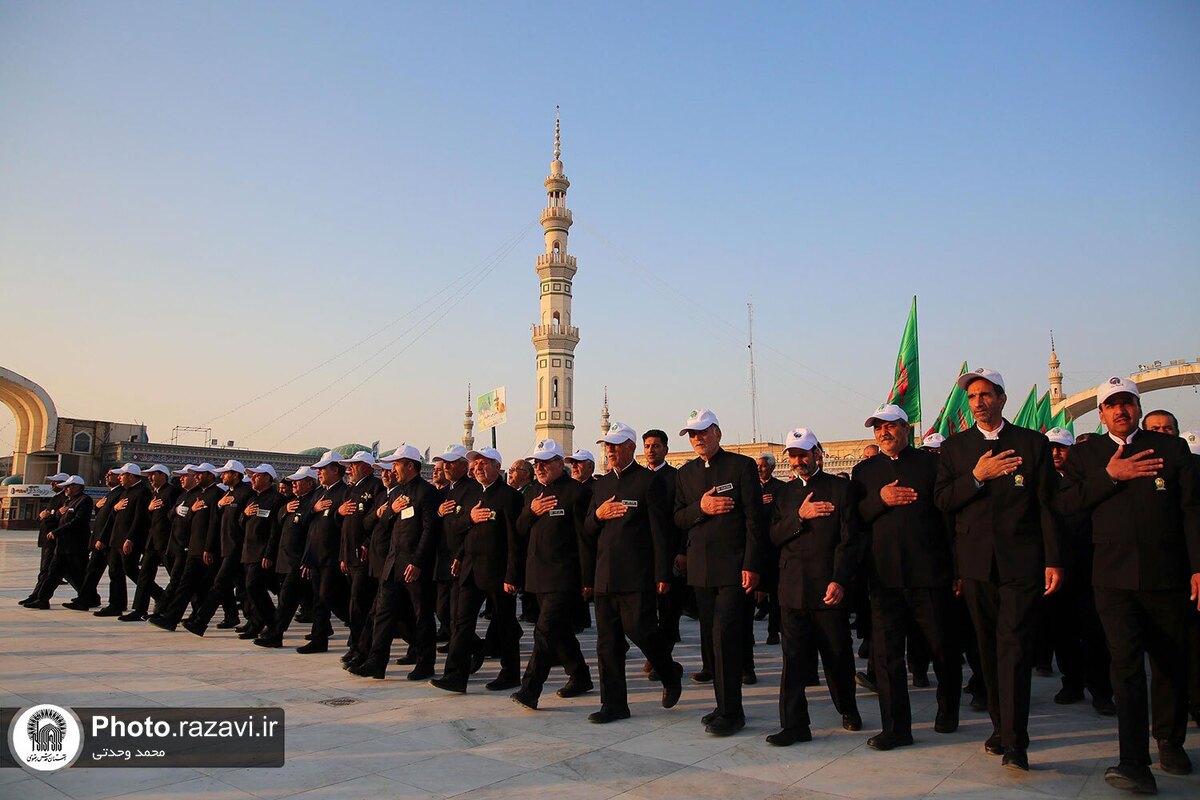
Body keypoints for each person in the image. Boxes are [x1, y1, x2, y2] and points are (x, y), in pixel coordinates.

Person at [1058, 377, 1199, 794]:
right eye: (1112, 405)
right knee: (1126, 668)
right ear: (1100, 414)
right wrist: (1111, 476)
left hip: (1167, 576)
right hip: (1113, 578)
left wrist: (1197, 566)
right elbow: (1065, 504)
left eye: (1127, 403)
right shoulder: (1087, 456)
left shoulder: (1172, 451)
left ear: (1138, 407)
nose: (1120, 411)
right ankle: (1133, 760)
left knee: (1170, 663)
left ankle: (1169, 741)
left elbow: (1191, 510)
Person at [934, 368, 1061, 772]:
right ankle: (1000, 727)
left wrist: (1054, 559)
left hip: (1021, 563)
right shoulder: (956, 448)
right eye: (972, 397)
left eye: (986, 395)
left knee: (1014, 647)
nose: (978, 403)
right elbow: (943, 502)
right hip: (975, 565)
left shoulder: (1031, 443)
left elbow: (1048, 506)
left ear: (1002, 399)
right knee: (987, 649)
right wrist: (977, 476)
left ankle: (1016, 741)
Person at [853, 404, 960, 751]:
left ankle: (948, 710)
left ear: (905, 428)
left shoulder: (931, 465)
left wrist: (955, 569)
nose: (884, 433)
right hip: (884, 578)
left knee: (942, 648)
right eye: (878, 428)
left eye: (890, 427)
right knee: (886, 657)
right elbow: (856, 519)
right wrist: (881, 500)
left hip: (929, 573)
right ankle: (896, 727)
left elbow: (949, 520)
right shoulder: (864, 472)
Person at [579, 423, 683, 722]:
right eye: (607, 445)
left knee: (641, 630)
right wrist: (598, 515)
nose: (610, 450)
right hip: (605, 575)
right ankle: (613, 704)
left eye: (616, 445)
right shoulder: (600, 485)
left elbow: (660, 532)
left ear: (630, 447)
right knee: (607, 643)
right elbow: (587, 528)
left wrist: (662, 573)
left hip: (637, 574)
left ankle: (668, 670)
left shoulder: (648, 482)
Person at [766, 427, 863, 746]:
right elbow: (774, 536)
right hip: (793, 589)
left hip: (828, 588)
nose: (797, 461)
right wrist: (800, 516)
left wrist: (840, 579)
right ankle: (794, 724)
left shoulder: (839, 489)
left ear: (817, 454)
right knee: (792, 661)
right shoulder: (784, 493)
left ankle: (847, 707)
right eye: (792, 455)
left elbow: (849, 541)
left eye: (803, 454)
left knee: (837, 655)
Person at [674, 409, 766, 736]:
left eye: (703, 432)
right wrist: (702, 507)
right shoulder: (685, 474)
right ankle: (722, 705)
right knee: (711, 641)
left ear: (717, 432)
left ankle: (732, 712)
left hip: (734, 568)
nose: (697, 439)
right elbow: (679, 518)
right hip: (701, 571)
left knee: (726, 638)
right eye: (692, 434)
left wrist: (753, 565)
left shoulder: (741, 467)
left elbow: (756, 521)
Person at [510, 438, 594, 709]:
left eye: (546, 463)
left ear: (560, 463)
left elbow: (584, 540)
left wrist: (587, 579)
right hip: (537, 575)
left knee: (544, 633)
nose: (540, 468)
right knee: (558, 633)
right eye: (537, 463)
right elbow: (520, 529)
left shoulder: (576, 492)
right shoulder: (532, 491)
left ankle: (529, 689)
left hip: (564, 576)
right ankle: (580, 675)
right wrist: (532, 512)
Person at [431, 447, 524, 693]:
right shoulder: (474, 495)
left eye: (485, 463)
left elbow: (515, 540)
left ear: (497, 467)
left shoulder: (509, 496)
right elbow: (461, 529)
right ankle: (455, 676)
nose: (479, 467)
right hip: (470, 569)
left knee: (505, 626)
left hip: (498, 572)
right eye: (477, 464)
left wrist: (512, 575)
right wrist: (460, 555)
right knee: (461, 623)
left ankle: (511, 673)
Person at [350, 445, 439, 680]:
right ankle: (376, 662)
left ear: (411, 465)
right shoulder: (397, 492)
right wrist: (390, 509)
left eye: (397, 465)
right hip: (392, 563)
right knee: (383, 615)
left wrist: (418, 562)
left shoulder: (426, 492)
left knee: (422, 616)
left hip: (414, 567)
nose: (394, 469)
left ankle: (425, 663)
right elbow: (380, 525)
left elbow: (430, 530)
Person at [151, 464, 225, 631]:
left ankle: (186, 619)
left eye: (200, 474)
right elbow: (188, 521)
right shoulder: (198, 495)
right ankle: (179, 618)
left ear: (210, 476)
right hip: (193, 547)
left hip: (205, 549)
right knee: (189, 585)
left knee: (198, 586)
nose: (197, 477)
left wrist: (209, 548)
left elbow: (214, 525)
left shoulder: (216, 495)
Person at [254, 467, 319, 648]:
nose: (294, 485)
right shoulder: (292, 502)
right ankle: (322, 630)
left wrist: (308, 559)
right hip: (285, 558)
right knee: (308, 599)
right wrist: (285, 510)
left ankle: (275, 634)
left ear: (309, 483)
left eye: (299, 481)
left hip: (298, 560)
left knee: (287, 600)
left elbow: (313, 534)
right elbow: (278, 522)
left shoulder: (313, 502)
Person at [185, 459, 251, 634]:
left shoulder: (245, 493)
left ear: (235, 475)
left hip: (237, 548)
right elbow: (217, 522)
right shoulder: (227, 494)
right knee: (242, 588)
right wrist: (220, 506)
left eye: (226, 473)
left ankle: (200, 622)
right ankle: (254, 619)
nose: (222, 476)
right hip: (225, 547)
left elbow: (245, 523)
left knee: (219, 585)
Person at [299, 450, 350, 654]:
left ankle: (360, 625)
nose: (319, 473)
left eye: (323, 469)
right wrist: (314, 509)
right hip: (316, 555)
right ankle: (319, 639)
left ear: (335, 470)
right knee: (319, 599)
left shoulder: (345, 492)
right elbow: (305, 523)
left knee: (330, 597)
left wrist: (336, 513)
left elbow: (347, 527)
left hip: (333, 555)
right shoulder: (318, 494)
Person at [337, 451, 386, 663]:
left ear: (366, 466)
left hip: (365, 556)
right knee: (355, 603)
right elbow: (345, 528)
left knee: (359, 604)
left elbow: (378, 522)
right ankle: (357, 644)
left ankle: (359, 647)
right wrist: (343, 556)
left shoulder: (375, 488)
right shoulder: (350, 490)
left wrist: (367, 544)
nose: (350, 469)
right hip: (349, 555)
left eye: (354, 465)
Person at [122, 465, 178, 621]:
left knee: (176, 576)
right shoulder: (155, 494)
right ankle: (139, 609)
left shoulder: (172, 492)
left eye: (153, 475)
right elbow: (147, 519)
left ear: (163, 475)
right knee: (144, 576)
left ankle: (178, 607)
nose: (150, 478)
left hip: (166, 542)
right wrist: (149, 508)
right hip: (152, 542)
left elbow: (176, 515)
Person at [27, 476, 93, 608]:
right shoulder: (69, 502)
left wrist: (56, 532)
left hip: (76, 545)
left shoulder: (84, 500)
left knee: (79, 574)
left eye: (68, 486)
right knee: (53, 573)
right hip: (62, 545)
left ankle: (87, 599)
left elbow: (77, 522)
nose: (66, 489)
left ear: (77, 487)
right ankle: (43, 599)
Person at [97, 463, 152, 617]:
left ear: (131, 476)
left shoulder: (142, 492)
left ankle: (159, 596)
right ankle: (116, 604)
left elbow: (140, 518)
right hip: (116, 540)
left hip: (129, 541)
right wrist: (104, 537)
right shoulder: (125, 493)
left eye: (122, 475)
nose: (119, 478)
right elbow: (114, 517)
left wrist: (130, 538)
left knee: (132, 571)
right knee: (115, 572)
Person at [239, 464, 284, 640]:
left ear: (267, 478)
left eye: (256, 476)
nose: (253, 479)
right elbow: (241, 523)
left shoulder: (276, 499)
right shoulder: (252, 499)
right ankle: (257, 623)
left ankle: (272, 621)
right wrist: (245, 513)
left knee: (254, 586)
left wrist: (269, 553)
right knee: (249, 589)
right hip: (248, 550)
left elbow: (275, 530)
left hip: (262, 551)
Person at [66, 468, 121, 610]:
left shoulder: (120, 493)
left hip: (107, 540)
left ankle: (117, 603)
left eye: (112, 474)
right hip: (99, 540)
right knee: (91, 572)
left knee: (115, 573)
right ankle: (85, 599)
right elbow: (102, 516)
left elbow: (112, 519)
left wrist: (103, 538)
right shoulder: (110, 494)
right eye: (107, 474)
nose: (108, 476)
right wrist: (97, 507)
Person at [22, 472, 69, 607]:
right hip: (46, 539)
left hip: (53, 539)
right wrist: (43, 516)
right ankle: (37, 595)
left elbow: (59, 518)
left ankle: (38, 596)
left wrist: (51, 515)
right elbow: (45, 516)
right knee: (61, 571)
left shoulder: (64, 499)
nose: (52, 484)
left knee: (47, 570)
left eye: (55, 482)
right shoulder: (55, 498)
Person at [756, 453, 786, 647]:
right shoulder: (749, 486)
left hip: (773, 546)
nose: (759, 469)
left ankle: (773, 630)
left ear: (772, 467)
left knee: (775, 591)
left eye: (763, 466)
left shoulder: (781, 489)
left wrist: (771, 503)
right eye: (757, 466)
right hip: (755, 543)